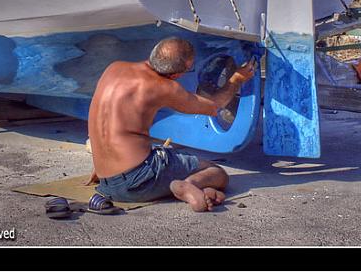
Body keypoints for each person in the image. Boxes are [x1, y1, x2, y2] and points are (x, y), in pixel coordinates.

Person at [86, 37, 256, 212]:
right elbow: (213, 106)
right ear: (177, 75)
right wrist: (237, 78)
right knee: (217, 174)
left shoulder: (113, 68)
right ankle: (186, 185)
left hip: (106, 182)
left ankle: (193, 188)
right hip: (138, 183)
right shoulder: (164, 87)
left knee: (166, 155)